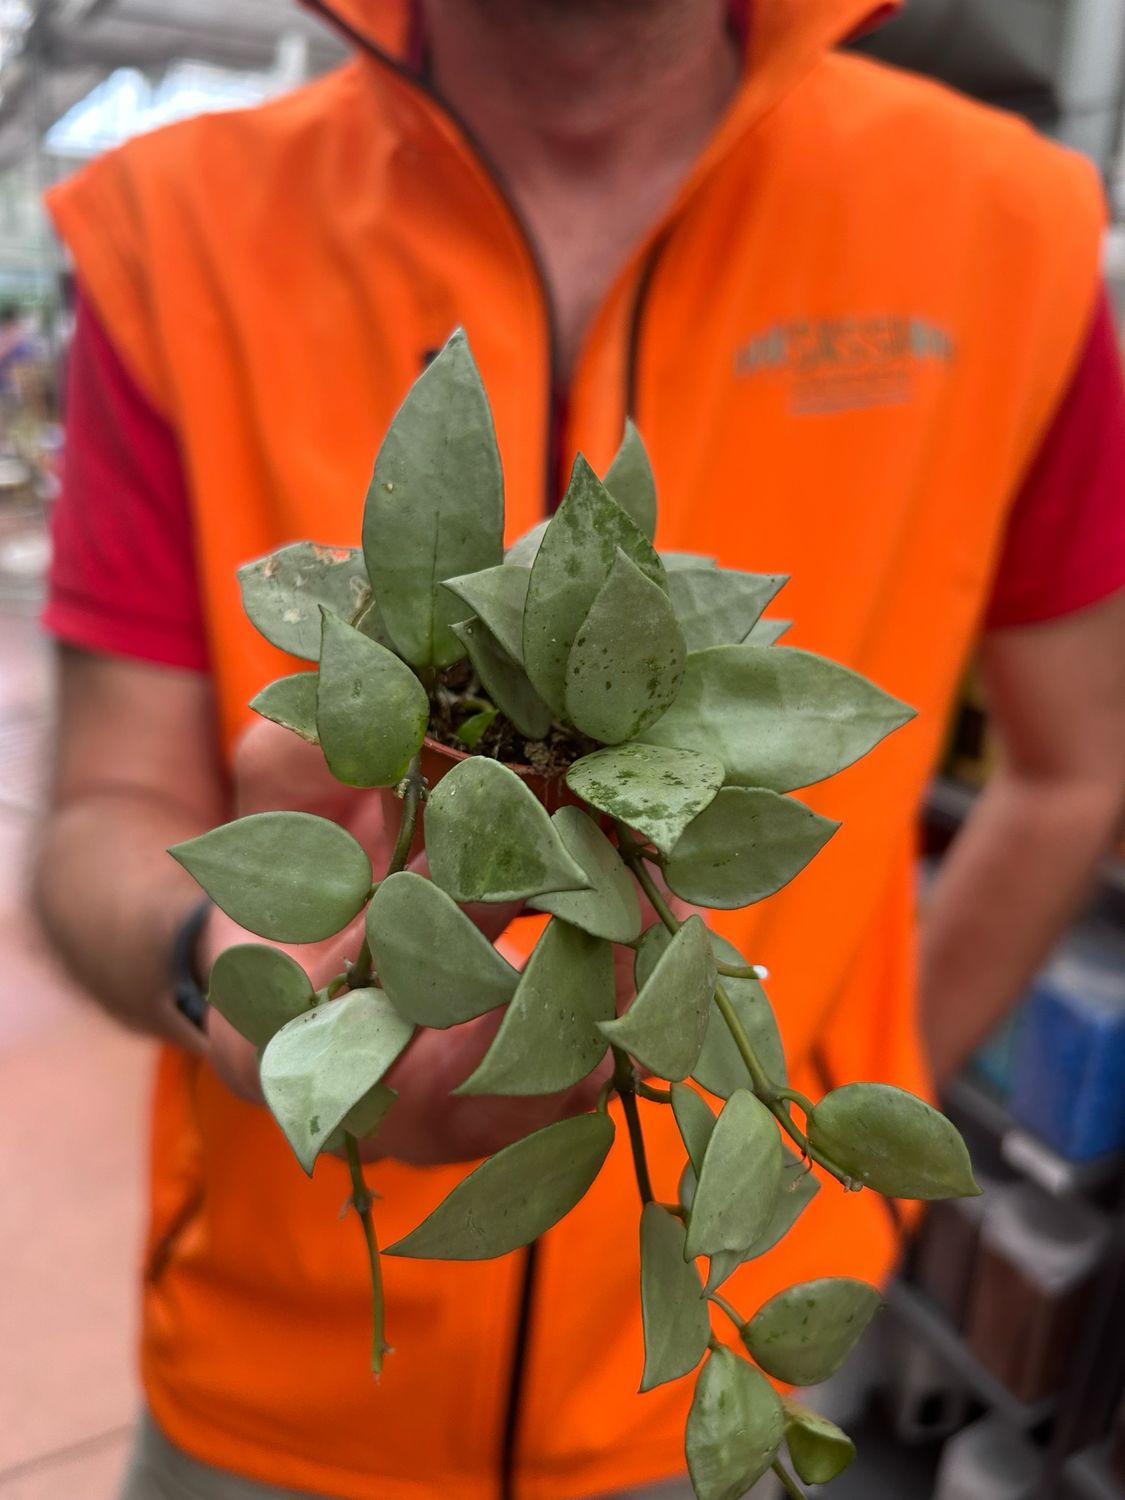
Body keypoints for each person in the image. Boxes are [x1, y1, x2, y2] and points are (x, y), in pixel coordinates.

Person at [33, 1, 1125, 1497]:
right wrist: (216, 965)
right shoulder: (183, 226)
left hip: (698, 1396)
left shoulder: (1002, 223)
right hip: (277, 1398)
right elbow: (103, 808)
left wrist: (822, 1111)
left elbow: (1078, 763)